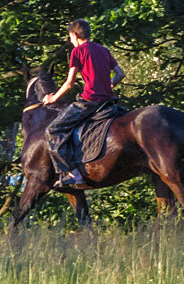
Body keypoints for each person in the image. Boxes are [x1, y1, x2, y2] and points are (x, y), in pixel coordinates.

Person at [42, 19, 125, 187]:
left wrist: (52, 98)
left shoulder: (78, 52)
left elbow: (70, 83)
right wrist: (110, 85)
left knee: (53, 130)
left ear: (74, 35)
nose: (70, 40)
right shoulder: (104, 50)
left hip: (90, 101)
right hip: (109, 102)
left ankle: (72, 173)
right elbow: (120, 74)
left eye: (70, 37)